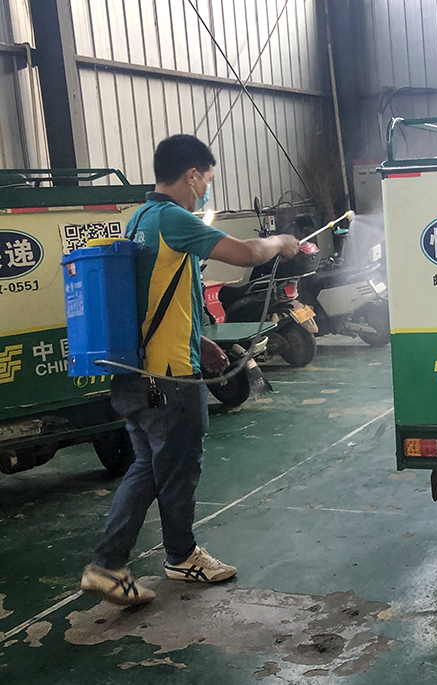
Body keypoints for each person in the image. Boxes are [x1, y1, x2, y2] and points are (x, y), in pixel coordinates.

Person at [80, 135, 300, 605]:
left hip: (136, 374)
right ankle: (178, 556)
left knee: (149, 467)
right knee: (179, 468)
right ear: (192, 174)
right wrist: (281, 242)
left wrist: (200, 341)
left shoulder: (138, 219)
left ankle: (108, 564)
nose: (206, 192)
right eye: (207, 180)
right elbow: (246, 253)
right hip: (170, 379)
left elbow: (152, 297)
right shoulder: (173, 219)